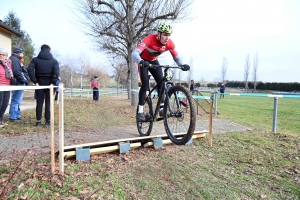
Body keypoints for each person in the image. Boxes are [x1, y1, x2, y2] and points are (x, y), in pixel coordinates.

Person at [131, 23, 190, 121]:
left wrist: (182, 65)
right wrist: (141, 61)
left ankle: (162, 108)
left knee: (162, 83)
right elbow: (134, 53)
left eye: (169, 35)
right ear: (159, 34)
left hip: (154, 61)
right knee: (145, 84)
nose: (167, 38)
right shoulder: (149, 39)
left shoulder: (169, 43)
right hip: (143, 61)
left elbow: (176, 56)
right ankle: (140, 112)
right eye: (165, 35)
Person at [28, 44, 60, 126]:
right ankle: (48, 121)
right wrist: (53, 82)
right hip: (50, 85)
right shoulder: (54, 61)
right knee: (48, 103)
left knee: (39, 103)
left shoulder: (35, 60)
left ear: (41, 50)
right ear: (49, 51)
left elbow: (30, 70)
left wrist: (35, 81)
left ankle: (38, 121)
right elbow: (56, 73)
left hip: (39, 83)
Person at [8, 47, 29, 122]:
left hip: (17, 82)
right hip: (18, 82)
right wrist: (24, 80)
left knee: (18, 99)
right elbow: (17, 72)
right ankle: (13, 116)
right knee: (16, 99)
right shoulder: (15, 60)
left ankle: (17, 115)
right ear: (18, 53)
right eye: (22, 53)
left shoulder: (15, 59)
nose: (23, 54)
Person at [0, 48, 14, 128]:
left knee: (5, 104)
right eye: (0, 54)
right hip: (0, 87)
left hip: (7, 87)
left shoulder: (9, 64)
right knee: (0, 103)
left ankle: (1, 120)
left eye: (3, 55)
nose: (1, 56)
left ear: (6, 56)